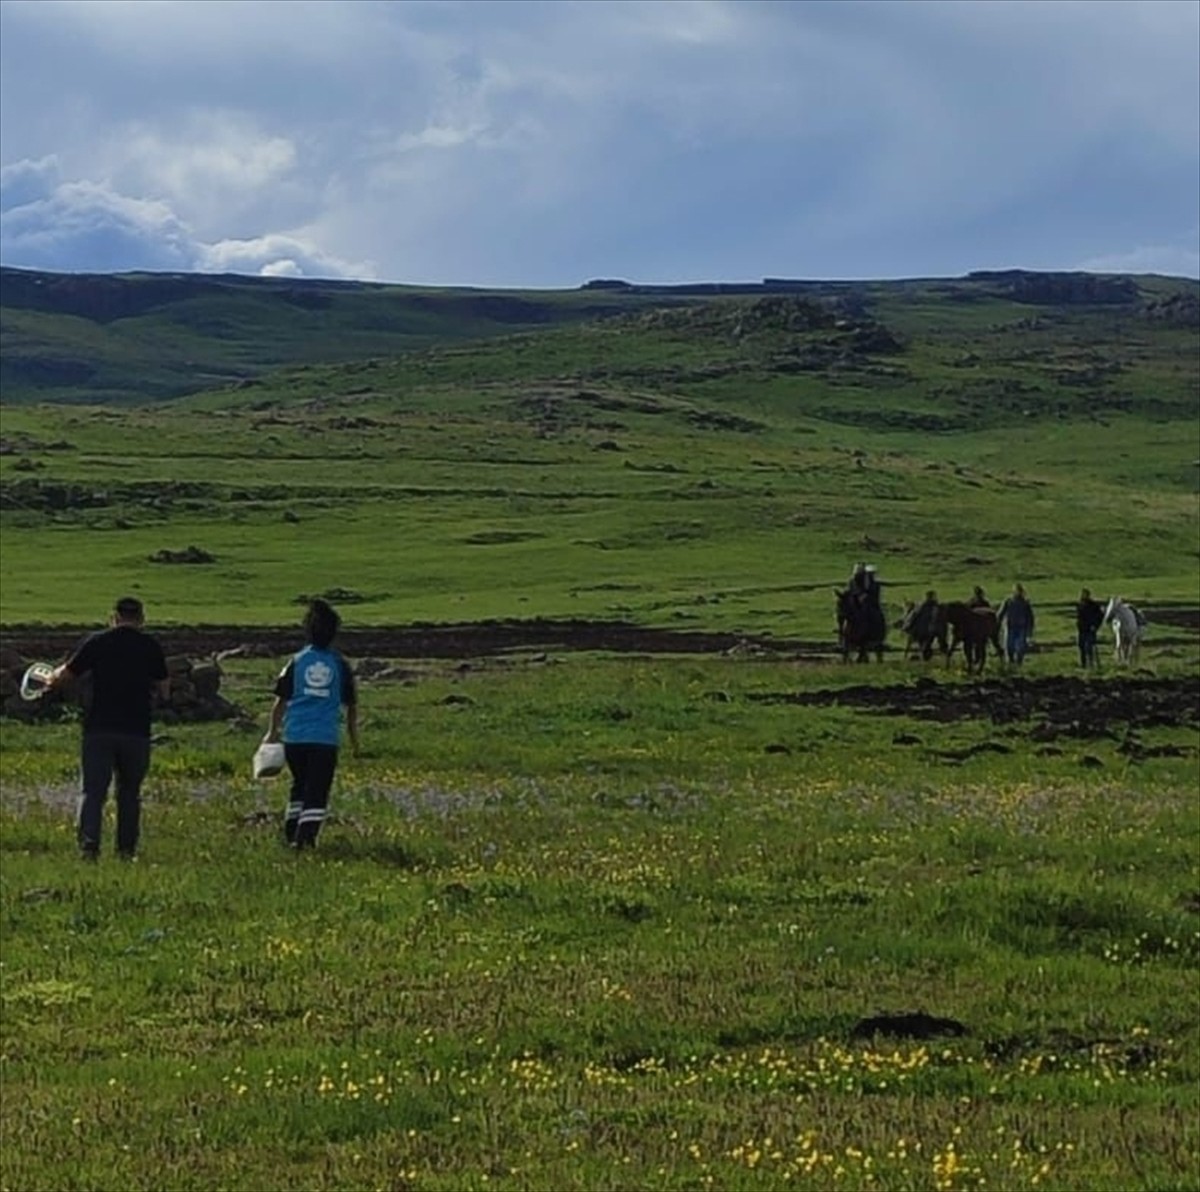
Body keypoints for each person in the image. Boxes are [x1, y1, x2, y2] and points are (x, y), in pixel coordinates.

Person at [44, 595, 169, 861]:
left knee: (93, 792)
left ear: (113, 617)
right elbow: (164, 688)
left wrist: (49, 678)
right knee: (130, 793)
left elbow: (66, 676)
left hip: (99, 728)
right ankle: (126, 851)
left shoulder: (98, 642)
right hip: (137, 730)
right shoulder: (150, 646)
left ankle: (89, 846)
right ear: (142, 619)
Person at [266, 599, 359, 850]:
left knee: (299, 786)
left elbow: (280, 701)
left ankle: (290, 831)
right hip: (324, 739)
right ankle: (304, 840)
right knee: (317, 791)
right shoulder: (340, 665)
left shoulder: (296, 662)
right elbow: (351, 706)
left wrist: (272, 732)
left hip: (294, 738)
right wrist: (354, 741)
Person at [996, 583, 1036, 666]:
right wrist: (997, 624)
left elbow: (1030, 617)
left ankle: (1018, 663)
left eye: (1020, 591)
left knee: (1020, 648)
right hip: (1009, 627)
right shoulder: (1008, 601)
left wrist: (1029, 630)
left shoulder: (1025, 603)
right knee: (1008, 646)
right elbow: (1000, 613)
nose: (1019, 593)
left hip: (1021, 627)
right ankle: (1010, 663)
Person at [1076, 588, 1105, 668]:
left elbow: (1100, 616)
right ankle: (1083, 664)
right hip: (1081, 630)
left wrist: (1095, 626)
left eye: (1085, 594)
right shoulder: (1080, 605)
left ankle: (1091, 664)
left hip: (1090, 630)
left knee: (1089, 647)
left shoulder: (1094, 606)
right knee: (1081, 647)